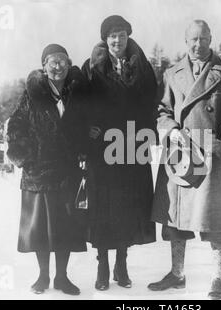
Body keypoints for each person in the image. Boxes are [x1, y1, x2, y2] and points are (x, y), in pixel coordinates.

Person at [148, 20, 221, 299]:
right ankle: (177, 274)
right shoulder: (172, 74)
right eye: (193, 39)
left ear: (210, 40)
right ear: (186, 41)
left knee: (215, 221)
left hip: (212, 157)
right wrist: (170, 130)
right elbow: (162, 110)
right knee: (175, 219)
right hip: (180, 155)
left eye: (203, 39)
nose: (198, 45)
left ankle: (217, 278)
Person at [81, 15, 157, 291]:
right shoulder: (91, 68)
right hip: (102, 149)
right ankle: (102, 265)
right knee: (103, 206)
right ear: (105, 39)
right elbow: (80, 104)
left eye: (121, 35)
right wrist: (89, 131)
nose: (117, 40)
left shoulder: (142, 67)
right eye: (112, 35)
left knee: (128, 205)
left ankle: (121, 265)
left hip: (132, 147)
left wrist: (146, 135)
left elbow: (151, 102)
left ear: (128, 37)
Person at [6, 44, 87, 295]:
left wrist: (84, 150)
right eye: (52, 61)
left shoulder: (77, 92)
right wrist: (26, 158)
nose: (58, 66)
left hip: (67, 172)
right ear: (44, 65)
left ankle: (62, 278)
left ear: (69, 63)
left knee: (65, 227)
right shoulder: (32, 94)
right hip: (38, 173)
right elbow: (16, 125)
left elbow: (86, 124)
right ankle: (42, 277)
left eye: (62, 61)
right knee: (40, 229)